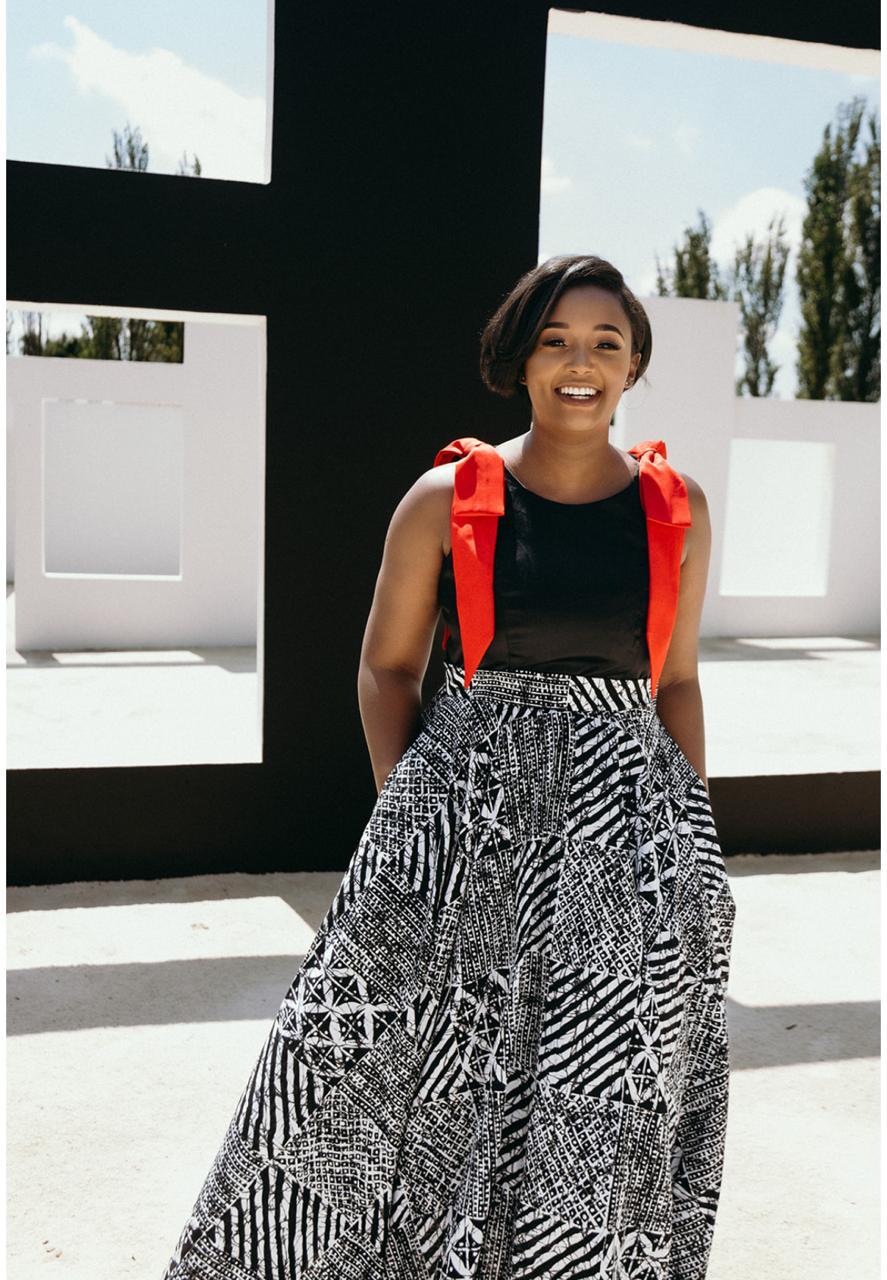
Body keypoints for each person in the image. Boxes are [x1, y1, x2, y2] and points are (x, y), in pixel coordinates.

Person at [160, 254, 736, 1280]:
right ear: (519, 358)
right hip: (461, 827)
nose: (579, 363)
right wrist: (416, 818)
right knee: (372, 1071)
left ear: (633, 364)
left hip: (626, 849)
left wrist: (691, 848)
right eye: (556, 339)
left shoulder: (673, 507)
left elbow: (676, 682)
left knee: (591, 1095)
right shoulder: (446, 497)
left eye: (605, 343)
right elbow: (386, 669)